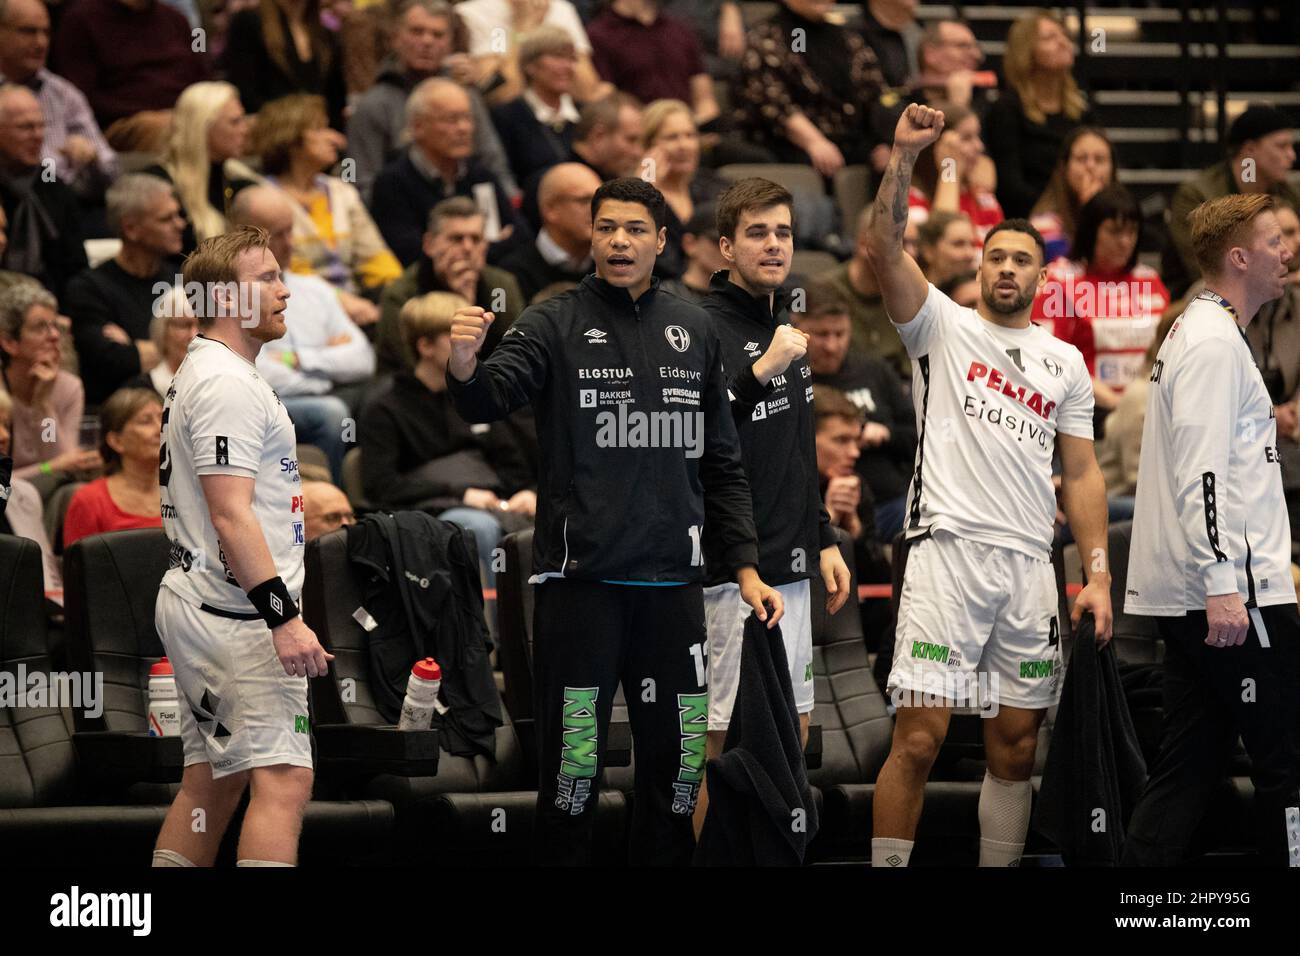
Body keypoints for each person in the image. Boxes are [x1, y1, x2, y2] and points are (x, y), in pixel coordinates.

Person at [446, 176, 783, 866]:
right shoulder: (552, 320)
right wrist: (462, 361)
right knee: (573, 772)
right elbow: (487, 398)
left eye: (635, 229)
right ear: (591, 237)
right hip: (583, 586)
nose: (620, 241)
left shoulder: (694, 327)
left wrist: (745, 565)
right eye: (606, 228)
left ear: (662, 241)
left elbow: (721, 461)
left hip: (674, 588)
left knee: (684, 768)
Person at [864, 103, 1112, 868]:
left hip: (1031, 566)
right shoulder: (939, 324)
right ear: (979, 267)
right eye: (995, 257)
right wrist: (905, 156)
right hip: (947, 553)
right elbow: (881, 247)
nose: (1006, 268)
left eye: (1021, 260)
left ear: (1042, 274)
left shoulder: (1064, 362)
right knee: (919, 738)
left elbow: (1081, 472)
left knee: (1015, 746)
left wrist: (1097, 574)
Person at [1123, 193, 1300, 867]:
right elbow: (1202, 477)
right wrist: (1225, 584)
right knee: (1287, 761)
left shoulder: (1203, 332)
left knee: (1191, 764)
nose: (1286, 252)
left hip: (1207, 594)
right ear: (1239, 257)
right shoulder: (1211, 343)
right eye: (1275, 241)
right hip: (1233, 598)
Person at [151, 224, 333, 868]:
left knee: (213, 783)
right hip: (237, 615)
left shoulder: (208, 370)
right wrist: (284, 620)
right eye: (268, 279)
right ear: (225, 299)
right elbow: (231, 517)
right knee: (285, 781)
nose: (286, 291)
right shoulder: (226, 382)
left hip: (206, 603)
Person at [691, 179, 850, 840]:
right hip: (731, 570)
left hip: (791, 560)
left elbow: (792, 450)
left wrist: (825, 537)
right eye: (757, 233)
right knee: (721, 745)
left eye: (783, 232)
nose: (774, 244)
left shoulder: (782, 326)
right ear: (725, 246)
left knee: (794, 735)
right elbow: (695, 439)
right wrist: (758, 372)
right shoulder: (699, 325)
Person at [360, 290, 534, 589]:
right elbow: (383, 485)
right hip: (427, 510)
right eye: (456, 337)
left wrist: (527, 492)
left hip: (493, 501)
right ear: (425, 345)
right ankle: (493, 631)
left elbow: (512, 461)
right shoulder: (385, 406)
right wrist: (460, 493)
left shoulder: (480, 393)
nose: (472, 346)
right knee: (478, 527)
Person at [230, 187, 374, 482]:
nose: (289, 243)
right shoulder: (230, 296)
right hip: (258, 402)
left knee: (378, 397)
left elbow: (362, 359)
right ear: (244, 235)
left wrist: (297, 358)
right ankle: (325, 507)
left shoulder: (315, 289)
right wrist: (326, 369)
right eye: (277, 235)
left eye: (290, 231)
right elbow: (257, 371)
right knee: (333, 411)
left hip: (315, 396)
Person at [346, 0, 516, 205]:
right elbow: (356, 178)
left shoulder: (466, 96)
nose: (427, 41)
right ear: (395, 38)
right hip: (401, 216)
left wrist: (507, 211)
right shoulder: (372, 105)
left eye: (438, 35)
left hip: (469, 214)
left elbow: (493, 161)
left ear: (450, 44)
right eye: (417, 31)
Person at [250, 93, 401, 322]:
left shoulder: (342, 192)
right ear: (291, 140)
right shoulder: (264, 200)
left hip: (359, 305)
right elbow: (287, 271)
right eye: (320, 129)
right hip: (295, 310)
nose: (337, 138)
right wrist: (345, 303)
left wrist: (398, 298)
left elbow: (375, 257)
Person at [796, 279, 915, 541]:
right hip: (815, 501)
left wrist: (885, 434)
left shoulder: (873, 370)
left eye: (840, 334)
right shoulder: (788, 379)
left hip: (889, 501)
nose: (832, 346)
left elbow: (918, 437)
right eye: (821, 335)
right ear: (798, 329)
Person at [1031, 185, 1170, 411]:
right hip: (1086, 408)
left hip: (1148, 407)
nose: (1125, 241)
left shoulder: (1150, 281)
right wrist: (1117, 405)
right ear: (1091, 231)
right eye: (1115, 231)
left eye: (1132, 231)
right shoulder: (1059, 281)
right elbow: (1048, 359)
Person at [370, 77, 529, 267]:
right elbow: (410, 255)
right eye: (451, 120)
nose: (463, 128)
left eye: (468, 118)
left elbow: (521, 238)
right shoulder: (392, 183)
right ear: (418, 127)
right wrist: (488, 246)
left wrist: (453, 249)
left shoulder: (481, 176)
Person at [64, 174, 183, 406]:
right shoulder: (88, 288)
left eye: (178, 215)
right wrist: (173, 350)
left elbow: (209, 349)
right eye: (166, 219)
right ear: (131, 229)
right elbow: (111, 363)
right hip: (121, 414)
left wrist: (135, 347)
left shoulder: (184, 280)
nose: (180, 224)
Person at [731, 0, 884, 176]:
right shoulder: (772, 36)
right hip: (790, 146)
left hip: (850, 140)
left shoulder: (848, 38)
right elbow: (773, 102)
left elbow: (873, 93)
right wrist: (814, 142)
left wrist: (879, 143)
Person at [1164, 104, 1300, 300]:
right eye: (1281, 146)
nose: (1292, 156)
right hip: (1202, 302)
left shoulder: (1288, 194)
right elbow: (1207, 268)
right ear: (1250, 149)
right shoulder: (1198, 195)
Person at [377, 196, 524, 372]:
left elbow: (513, 355)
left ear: (485, 245)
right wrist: (458, 304)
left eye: (476, 239)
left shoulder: (500, 288)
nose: (468, 248)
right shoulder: (401, 295)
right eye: (456, 239)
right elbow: (414, 369)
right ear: (429, 245)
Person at [0, 0, 119, 200]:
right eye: (28, 31)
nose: (41, 43)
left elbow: (111, 170)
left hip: (64, 203)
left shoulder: (63, 93)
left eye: (46, 33)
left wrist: (91, 158)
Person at [985, 10, 1096, 219]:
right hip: (1029, 217)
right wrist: (1057, 213)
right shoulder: (1007, 109)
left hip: (1079, 213)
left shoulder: (1081, 109)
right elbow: (1010, 186)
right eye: (1049, 38)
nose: (1063, 42)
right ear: (1026, 52)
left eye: (1064, 35)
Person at [50, 0, 209, 128]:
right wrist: (150, 111)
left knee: (225, 117)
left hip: (184, 113)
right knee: (170, 128)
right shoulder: (81, 18)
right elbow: (79, 97)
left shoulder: (175, 18)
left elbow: (202, 77)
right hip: (126, 121)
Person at [0, 278, 100, 480]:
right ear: (9, 342)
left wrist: (43, 404)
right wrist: (47, 468)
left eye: (54, 326)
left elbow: (65, 467)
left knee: (73, 492)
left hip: (47, 492)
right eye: (40, 327)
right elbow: (56, 465)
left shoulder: (68, 387)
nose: (54, 335)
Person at [145, 82, 260, 253]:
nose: (244, 130)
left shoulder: (239, 180)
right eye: (235, 122)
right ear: (203, 127)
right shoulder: (158, 185)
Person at [0, 84, 87, 299]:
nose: (38, 136)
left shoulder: (53, 188)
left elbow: (76, 268)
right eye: (25, 128)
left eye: (41, 126)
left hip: (49, 306)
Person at [586, 0, 719, 126]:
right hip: (636, 136)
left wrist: (691, 127)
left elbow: (705, 99)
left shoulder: (680, 30)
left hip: (685, 130)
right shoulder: (598, 35)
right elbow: (605, 100)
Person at [455, 0, 611, 105]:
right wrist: (523, 27)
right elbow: (502, 93)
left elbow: (588, 92)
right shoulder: (478, 13)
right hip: (509, 122)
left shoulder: (561, 9)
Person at [62, 386, 163, 546]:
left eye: (163, 419)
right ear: (116, 441)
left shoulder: (184, 492)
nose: (160, 429)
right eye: (146, 421)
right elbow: (80, 568)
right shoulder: (89, 501)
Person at [221, 0, 347, 128]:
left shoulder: (326, 35)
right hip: (275, 135)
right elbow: (246, 92)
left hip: (320, 133)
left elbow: (335, 99)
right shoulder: (249, 23)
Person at [639, 98, 727, 279]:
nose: (684, 146)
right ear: (648, 147)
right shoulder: (637, 196)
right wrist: (644, 187)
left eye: (690, 136)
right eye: (672, 137)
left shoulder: (715, 186)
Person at [818, 207, 909, 376]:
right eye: (898, 243)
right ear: (864, 244)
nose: (910, 253)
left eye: (911, 244)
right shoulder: (825, 290)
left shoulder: (908, 292)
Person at [489, 26, 580, 186]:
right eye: (558, 57)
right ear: (530, 65)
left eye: (572, 58)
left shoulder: (584, 113)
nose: (567, 66)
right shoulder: (506, 116)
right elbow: (504, 175)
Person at [496, 162, 598, 304]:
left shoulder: (611, 265)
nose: (596, 210)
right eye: (584, 200)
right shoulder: (510, 275)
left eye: (599, 200)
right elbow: (502, 322)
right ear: (551, 209)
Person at [908, 101, 1002, 246]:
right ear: (936, 147)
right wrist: (949, 166)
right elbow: (943, 245)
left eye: (978, 136)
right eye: (967, 138)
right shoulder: (912, 199)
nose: (979, 146)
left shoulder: (983, 197)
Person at [0, 387, 60, 590]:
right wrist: (49, 467)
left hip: (22, 482)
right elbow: (52, 464)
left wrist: (44, 403)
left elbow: (51, 451)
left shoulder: (64, 389)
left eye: (7, 425)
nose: (5, 435)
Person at [1029, 126, 1116, 262]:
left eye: (1099, 159)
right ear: (1065, 168)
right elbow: (1069, 272)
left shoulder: (1123, 219)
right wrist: (1091, 211)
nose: (1090, 166)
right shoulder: (1043, 223)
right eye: (1081, 159)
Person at [656, 203, 723, 304]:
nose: (726, 250)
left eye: (732, 243)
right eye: (717, 242)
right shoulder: (664, 296)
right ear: (690, 244)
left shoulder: (736, 298)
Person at [916, 210, 977, 286]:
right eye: (958, 244)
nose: (970, 254)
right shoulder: (910, 295)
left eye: (973, 244)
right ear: (929, 251)